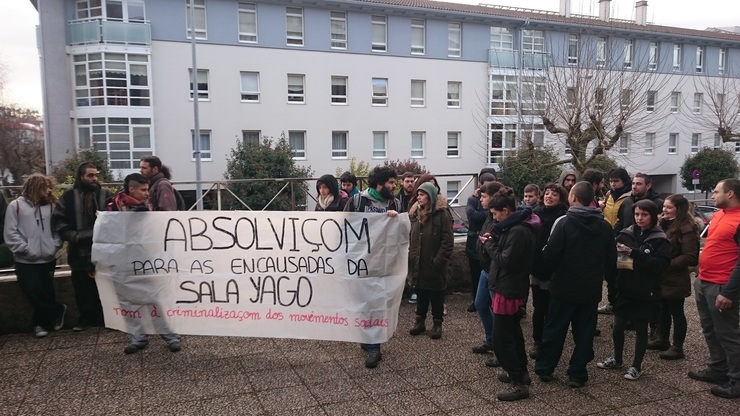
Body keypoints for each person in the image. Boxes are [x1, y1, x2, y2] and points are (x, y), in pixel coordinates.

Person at [535, 182, 616, 388]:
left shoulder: (564, 223)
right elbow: (611, 260)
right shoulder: (605, 226)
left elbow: (550, 256)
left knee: (554, 329)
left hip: (563, 287)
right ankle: (578, 372)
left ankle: (545, 367)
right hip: (590, 289)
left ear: (572, 197)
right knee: (584, 333)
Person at [108, 173, 183, 354]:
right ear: (131, 189)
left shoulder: (146, 208)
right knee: (126, 300)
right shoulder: (112, 208)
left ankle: (169, 335)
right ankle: (138, 337)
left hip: (143, 260)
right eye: (143, 190)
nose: (147, 193)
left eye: (147, 189)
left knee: (153, 297)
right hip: (119, 260)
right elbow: (105, 234)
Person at [597, 200, 670, 381]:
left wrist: (636, 253)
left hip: (646, 291)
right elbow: (616, 262)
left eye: (644, 215)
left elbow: (660, 265)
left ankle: (636, 366)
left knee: (640, 329)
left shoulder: (660, 239)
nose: (640, 218)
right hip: (625, 288)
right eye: (637, 214)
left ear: (653, 216)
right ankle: (618, 358)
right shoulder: (626, 234)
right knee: (618, 327)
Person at [481, 187, 539, 401]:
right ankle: (520, 373)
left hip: (509, 289)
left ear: (506, 210)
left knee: (502, 338)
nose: (493, 218)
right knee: (513, 333)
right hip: (506, 286)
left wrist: (488, 244)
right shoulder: (512, 227)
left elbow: (506, 260)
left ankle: (518, 382)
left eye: (495, 214)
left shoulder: (518, 231)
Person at [688, 179, 740, 398]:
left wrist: (728, 292)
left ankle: (736, 380)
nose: (712, 195)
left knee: (728, 334)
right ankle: (717, 369)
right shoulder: (718, 215)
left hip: (722, 285)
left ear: (730, 194)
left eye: (717, 192)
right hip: (704, 281)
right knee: (709, 329)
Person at [344, 165, 400, 368]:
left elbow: (402, 233)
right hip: (360, 263)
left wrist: (397, 221)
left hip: (383, 265)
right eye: (391, 182)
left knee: (377, 304)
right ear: (379, 184)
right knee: (363, 303)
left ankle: (375, 347)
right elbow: (344, 228)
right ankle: (367, 338)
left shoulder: (394, 203)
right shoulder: (358, 202)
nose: (394, 186)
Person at [52, 162, 112, 331]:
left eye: (96, 175)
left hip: (103, 250)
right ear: (81, 177)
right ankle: (85, 319)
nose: (94, 179)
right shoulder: (68, 197)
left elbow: (114, 218)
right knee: (81, 287)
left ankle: (106, 318)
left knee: (103, 286)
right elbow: (57, 219)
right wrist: (73, 236)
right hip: (78, 250)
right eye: (90, 175)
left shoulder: (105, 195)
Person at [4, 174, 65, 338]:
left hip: (48, 257)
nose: (48, 190)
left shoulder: (51, 206)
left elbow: (57, 229)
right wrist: (25, 249)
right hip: (25, 260)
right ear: (35, 187)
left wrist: (55, 245)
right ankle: (57, 310)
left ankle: (41, 324)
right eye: (45, 187)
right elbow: (10, 232)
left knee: (46, 290)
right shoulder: (15, 206)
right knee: (32, 290)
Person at [647, 194, 699, 359]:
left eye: (669, 207)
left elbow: (691, 256)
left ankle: (677, 347)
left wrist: (666, 264)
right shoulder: (663, 224)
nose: (665, 210)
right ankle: (662, 339)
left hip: (675, 278)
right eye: (664, 207)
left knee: (676, 311)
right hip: (661, 277)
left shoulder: (687, 228)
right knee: (662, 310)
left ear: (679, 208)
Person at [407, 182, 454, 339]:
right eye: (418, 195)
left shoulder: (442, 215)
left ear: (430, 196)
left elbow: (447, 242)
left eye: (422, 194)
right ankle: (419, 322)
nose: (418, 197)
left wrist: (438, 261)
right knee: (421, 294)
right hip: (418, 263)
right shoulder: (414, 215)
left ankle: (437, 323)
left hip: (434, 264)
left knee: (436, 296)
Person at [529, 183, 568, 359]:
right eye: (547, 193)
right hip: (536, 266)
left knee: (551, 308)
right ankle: (537, 340)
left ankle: (549, 341)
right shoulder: (535, 212)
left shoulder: (564, 216)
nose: (549, 196)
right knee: (538, 307)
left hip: (554, 269)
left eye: (554, 194)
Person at [471, 181, 504, 358]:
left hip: (494, 271)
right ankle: (491, 340)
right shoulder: (489, 216)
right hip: (485, 269)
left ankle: (500, 348)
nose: (481, 200)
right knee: (480, 304)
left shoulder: (499, 220)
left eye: (484, 197)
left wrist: (487, 243)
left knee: (498, 312)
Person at [598, 167, 632, 315]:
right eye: (611, 181)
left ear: (624, 181)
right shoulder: (609, 195)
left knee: (623, 275)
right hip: (607, 239)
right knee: (610, 275)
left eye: (616, 181)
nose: (613, 184)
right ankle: (613, 304)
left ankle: (624, 308)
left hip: (624, 241)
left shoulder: (630, 197)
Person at [465, 173, 497, 313]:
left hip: (490, 254)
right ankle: (476, 299)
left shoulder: (498, 213)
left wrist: (485, 212)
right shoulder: (472, 199)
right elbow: (472, 216)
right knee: (475, 274)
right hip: (474, 244)